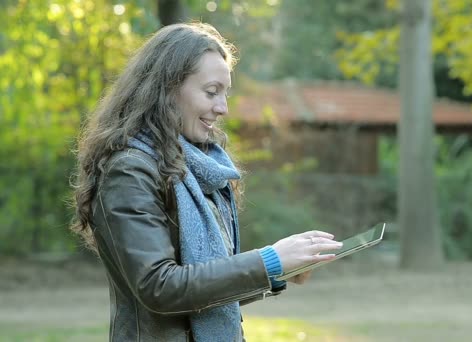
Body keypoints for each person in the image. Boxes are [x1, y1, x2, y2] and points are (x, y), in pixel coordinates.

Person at [70, 22, 343, 342]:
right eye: (211, 92)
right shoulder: (129, 171)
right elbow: (160, 287)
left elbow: (205, 291)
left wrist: (279, 269)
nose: (222, 108)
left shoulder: (199, 170)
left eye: (225, 93)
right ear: (167, 88)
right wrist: (268, 260)